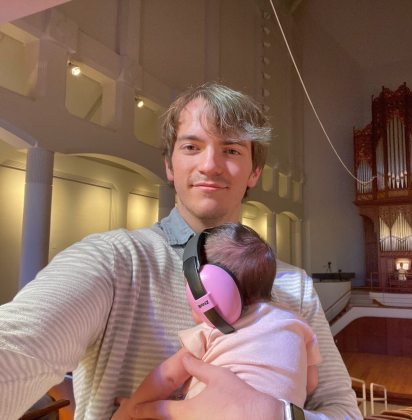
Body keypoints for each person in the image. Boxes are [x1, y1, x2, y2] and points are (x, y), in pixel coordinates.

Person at [0, 82, 361, 419]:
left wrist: (277, 414)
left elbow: (342, 409)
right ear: (170, 166)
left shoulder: (295, 285)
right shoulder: (113, 258)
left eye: (231, 150)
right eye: (191, 147)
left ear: (254, 173)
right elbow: (17, 349)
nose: (210, 165)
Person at [113, 223, 321, 419]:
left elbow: (167, 377)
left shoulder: (211, 331)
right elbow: (310, 384)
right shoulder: (298, 325)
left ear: (210, 293)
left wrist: (133, 407)